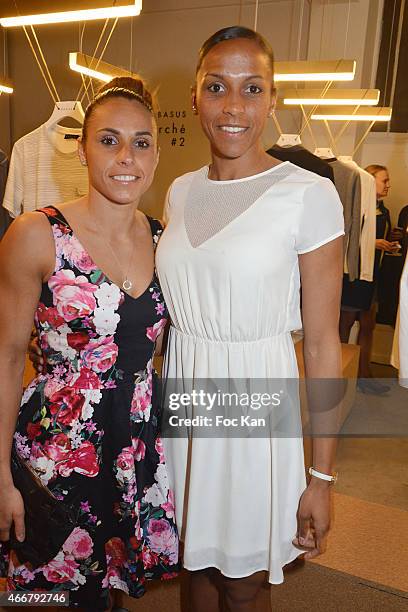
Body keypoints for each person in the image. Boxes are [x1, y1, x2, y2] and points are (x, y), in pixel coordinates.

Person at [155, 26, 344, 612]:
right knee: (195, 571)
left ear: (273, 99)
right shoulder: (179, 190)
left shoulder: (309, 194)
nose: (234, 106)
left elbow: (321, 345)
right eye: (217, 87)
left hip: (255, 409)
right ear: (194, 96)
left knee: (241, 583)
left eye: (252, 88)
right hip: (184, 402)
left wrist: (322, 477)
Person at [0, 77, 179, 610]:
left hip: (135, 448)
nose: (127, 157)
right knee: (49, 598)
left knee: (110, 594)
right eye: (109, 140)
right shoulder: (36, 233)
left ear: (156, 152)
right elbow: (7, 359)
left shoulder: (163, 238)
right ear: (81, 147)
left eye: (141, 142)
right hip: (58, 449)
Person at [339, 164, 400, 394]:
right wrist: (373, 243)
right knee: (344, 324)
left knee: (368, 324)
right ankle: (339, 375)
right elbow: (346, 236)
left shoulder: (382, 211)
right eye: (384, 180)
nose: (388, 185)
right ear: (369, 180)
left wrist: (389, 240)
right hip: (354, 274)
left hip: (373, 274)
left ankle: (364, 375)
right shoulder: (356, 204)